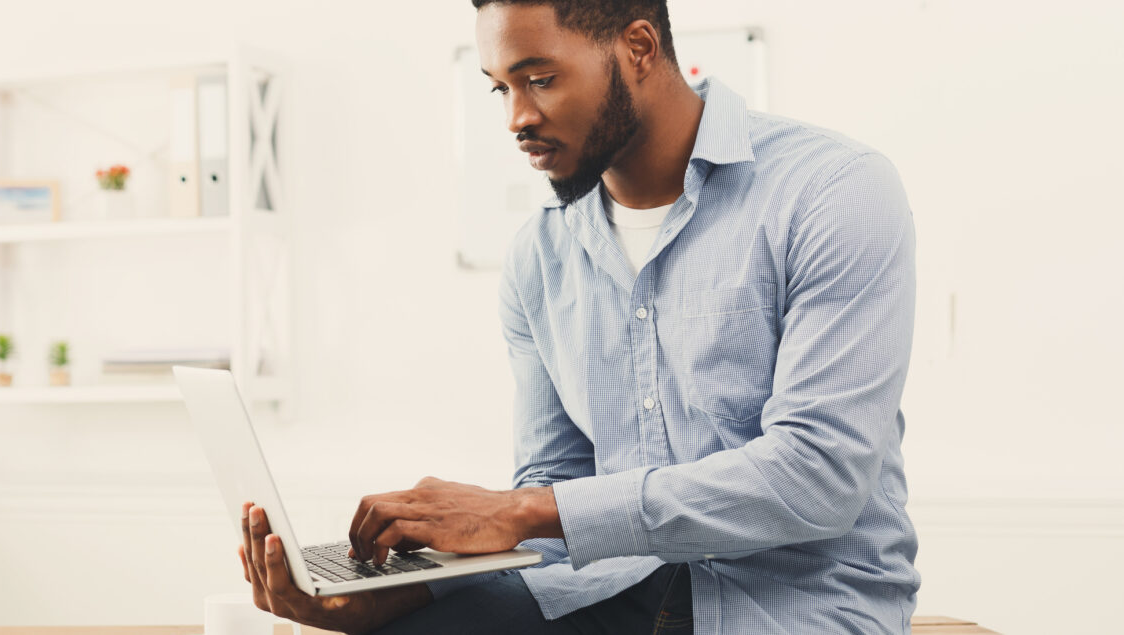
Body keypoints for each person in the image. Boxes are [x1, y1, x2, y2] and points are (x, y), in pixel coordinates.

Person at [238, 1, 920, 632]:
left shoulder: (834, 192)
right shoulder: (539, 257)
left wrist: (518, 509)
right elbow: (550, 498)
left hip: (794, 607)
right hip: (608, 592)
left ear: (639, 48)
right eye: (500, 87)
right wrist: (393, 598)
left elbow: (820, 476)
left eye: (538, 78)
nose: (516, 118)